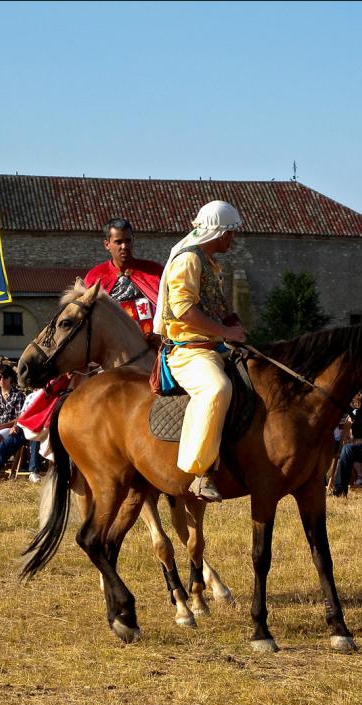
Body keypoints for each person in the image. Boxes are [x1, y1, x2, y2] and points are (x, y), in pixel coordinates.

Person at [154, 200, 246, 501]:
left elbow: (212, 305)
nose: (232, 239)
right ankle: (200, 472)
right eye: (230, 233)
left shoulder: (207, 260)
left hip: (215, 346)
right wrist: (226, 332)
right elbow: (183, 311)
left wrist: (232, 322)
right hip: (190, 352)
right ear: (218, 233)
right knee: (216, 389)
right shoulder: (189, 260)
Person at [0, 375, 71, 486]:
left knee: (35, 435)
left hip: (40, 426)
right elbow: (22, 415)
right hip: (23, 426)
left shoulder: (52, 393)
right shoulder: (30, 397)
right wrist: (15, 425)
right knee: (6, 444)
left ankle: (34, 471)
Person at [84, 218, 163, 338]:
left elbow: (169, 308)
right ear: (107, 244)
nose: (124, 246)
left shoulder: (154, 272)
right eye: (118, 242)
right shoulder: (95, 277)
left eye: (128, 241)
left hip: (155, 345)